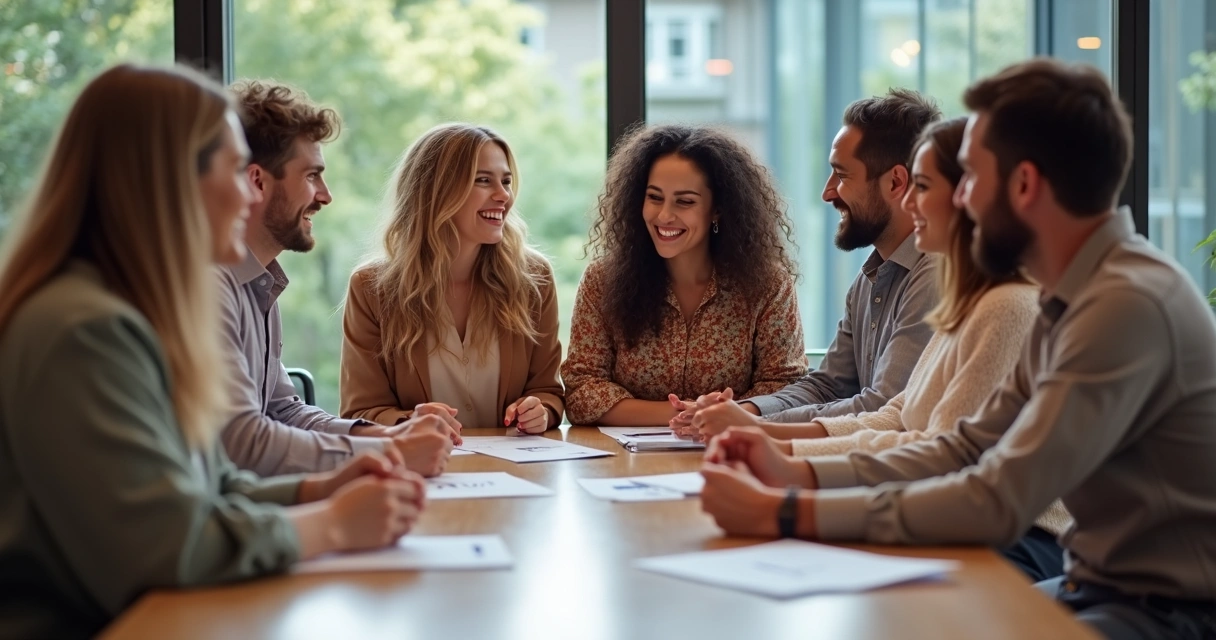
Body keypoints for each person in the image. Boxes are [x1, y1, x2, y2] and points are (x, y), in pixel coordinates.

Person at [700, 59, 1216, 640]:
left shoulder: (1125, 304)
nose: (959, 201)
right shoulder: (1068, 296)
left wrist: (788, 509)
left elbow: (999, 497)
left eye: (968, 178)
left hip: (1168, 611)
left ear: (1024, 185)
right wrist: (798, 474)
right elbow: (961, 447)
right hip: (1095, 586)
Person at [0, 64, 427, 640]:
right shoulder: (83, 328)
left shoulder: (123, 309)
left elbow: (208, 482)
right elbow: (163, 546)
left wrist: (318, 488)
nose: (246, 193)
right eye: (232, 169)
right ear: (167, 181)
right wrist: (330, 525)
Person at [688, 118, 1070, 581]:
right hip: (960, 516)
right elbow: (895, 416)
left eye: (922, 186)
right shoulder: (970, 299)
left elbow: (941, 457)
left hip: (1021, 538)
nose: (908, 203)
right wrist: (771, 439)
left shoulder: (1007, 306)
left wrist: (789, 479)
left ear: (973, 198)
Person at [219, 80, 455, 477]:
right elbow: (243, 442)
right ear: (257, 182)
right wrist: (386, 454)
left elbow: (283, 411)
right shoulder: (211, 287)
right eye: (312, 175)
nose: (325, 195)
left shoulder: (259, 283)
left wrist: (388, 436)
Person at [677, 90, 941, 434]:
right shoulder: (869, 280)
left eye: (842, 176)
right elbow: (826, 386)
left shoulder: (935, 274)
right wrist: (736, 409)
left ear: (895, 182)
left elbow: (883, 407)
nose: (827, 192)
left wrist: (754, 422)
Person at [560, 124, 808, 426]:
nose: (664, 215)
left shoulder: (767, 285)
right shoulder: (601, 281)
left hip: (733, 455)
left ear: (717, 209)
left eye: (685, 201)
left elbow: (786, 388)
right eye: (654, 197)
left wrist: (718, 418)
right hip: (622, 465)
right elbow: (581, 392)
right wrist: (688, 415)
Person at [340, 124, 564, 433]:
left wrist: (541, 411)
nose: (504, 196)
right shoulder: (371, 288)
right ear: (437, 191)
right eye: (483, 180)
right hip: (421, 470)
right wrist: (409, 422)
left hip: (518, 472)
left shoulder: (533, 279)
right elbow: (359, 412)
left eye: (506, 181)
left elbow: (548, 392)